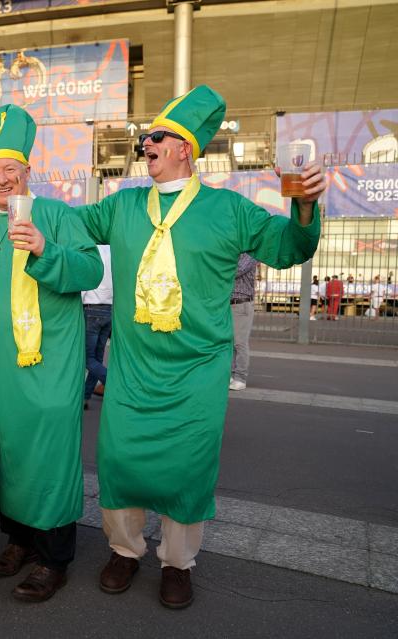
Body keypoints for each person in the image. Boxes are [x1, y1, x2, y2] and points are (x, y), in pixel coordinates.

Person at [73, 85, 323, 609]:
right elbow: (71, 224)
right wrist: (9, 207)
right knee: (118, 460)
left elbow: (289, 247)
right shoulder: (121, 205)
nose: (146, 144)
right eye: (145, 138)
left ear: (185, 147)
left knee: (188, 467)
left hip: (198, 372)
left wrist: (303, 208)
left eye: (156, 137)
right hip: (134, 368)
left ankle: (177, 562)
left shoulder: (228, 209)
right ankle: (123, 550)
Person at [0, 104, 103, 602]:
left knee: (49, 460)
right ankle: (20, 540)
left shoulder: (58, 214)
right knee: (10, 460)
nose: (1, 178)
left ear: (29, 171)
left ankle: (54, 558)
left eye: (10, 169)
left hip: (48, 369)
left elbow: (88, 272)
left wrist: (46, 249)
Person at [83, 245, 112, 408]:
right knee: (98, 357)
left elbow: (86, 279)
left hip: (92, 306)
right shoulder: (112, 249)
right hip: (109, 307)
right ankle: (85, 397)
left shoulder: (92, 249)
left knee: (88, 359)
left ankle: (112, 382)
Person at [229, 253, 258, 391]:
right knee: (230, 342)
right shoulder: (236, 253)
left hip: (242, 303)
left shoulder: (250, 254)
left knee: (239, 343)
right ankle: (232, 375)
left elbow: (237, 270)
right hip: (230, 303)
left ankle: (240, 378)